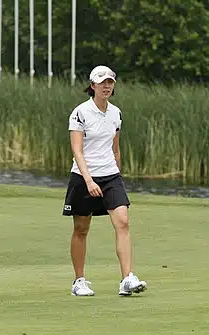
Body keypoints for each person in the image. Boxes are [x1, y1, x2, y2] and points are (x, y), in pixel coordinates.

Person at [63, 65, 147, 297]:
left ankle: (127, 279)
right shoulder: (80, 113)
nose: (107, 86)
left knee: (123, 222)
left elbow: (115, 148)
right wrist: (89, 181)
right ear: (92, 86)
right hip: (83, 176)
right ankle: (79, 281)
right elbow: (77, 151)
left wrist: (117, 175)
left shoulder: (116, 113)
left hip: (110, 175)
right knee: (81, 228)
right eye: (102, 83)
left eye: (110, 82)